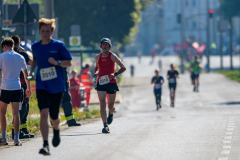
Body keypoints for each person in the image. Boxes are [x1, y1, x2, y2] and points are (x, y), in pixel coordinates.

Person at [29, 18, 72, 155]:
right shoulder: (35, 46)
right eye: (42, 31)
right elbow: (35, 60)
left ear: (52, 31)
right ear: (39, 32)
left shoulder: (59, 45)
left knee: (54, 116)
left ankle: (56, 129)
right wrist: (31, 71)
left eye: (48, 31)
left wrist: (57, 62)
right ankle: (45, 144)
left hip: (57, 85)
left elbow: (69, 63)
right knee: (43, 112)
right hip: (42, 84)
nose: (45, 34)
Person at [0, 37, 31, 146]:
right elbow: (27, 75)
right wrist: (29, 88)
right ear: (13, 46)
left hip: (5, 88)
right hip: (17, 88)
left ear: (4, 46)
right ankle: (16, 139)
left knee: (2, 113)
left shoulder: (1, 57)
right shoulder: (20, 57)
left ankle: (3, 138)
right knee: (16, 114)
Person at [94, 38, 126, 133]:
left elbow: (123, 68)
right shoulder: (97, 57)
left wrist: (115, 74)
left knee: (110, 105)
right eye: (103, 45)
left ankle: (111, 113)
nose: (105, 46)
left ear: (109, 46)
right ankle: (105, 125)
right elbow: (97, 68)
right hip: (101, 82)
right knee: (102, 103)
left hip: (111, 82)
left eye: (107, 45)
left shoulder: (113, 56)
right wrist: (96, 72)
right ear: (101, 46)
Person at [11, 35, 34, 139]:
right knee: (23, 108)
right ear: (18, 43)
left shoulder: (7, 54)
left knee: (20, 107)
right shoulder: (23, 54)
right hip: (22, 83)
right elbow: (32, 61)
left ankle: (23, 130)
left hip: (11, 84)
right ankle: (17, 131)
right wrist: (23, 49)